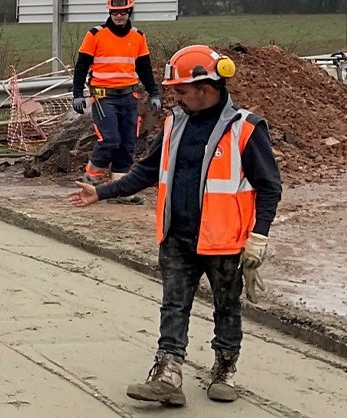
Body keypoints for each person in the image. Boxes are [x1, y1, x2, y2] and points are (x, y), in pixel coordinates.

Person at [69, 44, 281, 406]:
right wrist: (102, 193)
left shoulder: (245, 128)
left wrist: (259, 236)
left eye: (181, 91)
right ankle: (168, 374)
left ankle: (224, 369)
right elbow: (148, 172)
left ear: (207, 87)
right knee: (173, 305)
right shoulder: (174, 123)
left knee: (226, 307)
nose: (175, 99)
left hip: (224, 241)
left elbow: (269, 186)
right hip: (177, 235)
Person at [71, 0, 163, 196]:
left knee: (127, 144)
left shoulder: (138, 37)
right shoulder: (95, 35)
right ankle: (90, 180)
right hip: (104, 96)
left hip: (129, 96)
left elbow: (145, 68)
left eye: (123, 12)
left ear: (129, 11)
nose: (119, 16)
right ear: (110, 13)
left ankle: (119, 192)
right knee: (110, 139)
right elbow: (81, 66)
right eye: (115, 12)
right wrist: (77, 93)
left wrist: (154, 93)